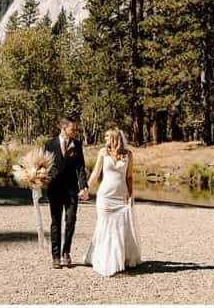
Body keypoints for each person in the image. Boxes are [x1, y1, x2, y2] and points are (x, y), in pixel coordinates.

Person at [84, 127, 142, 276]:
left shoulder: (128, 154)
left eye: (107, 137)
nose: (105, 140)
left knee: (120, 228)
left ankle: (120, 259)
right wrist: (86, 189)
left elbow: (129, 177)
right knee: (104, 226)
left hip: (120, 197)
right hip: (105, 197)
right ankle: (103, 259)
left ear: (115, 138)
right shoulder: (103, 153)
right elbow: (96, 174)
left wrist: (131, 195)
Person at [44, 115, 89, 269]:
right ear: (64, 128)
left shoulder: (77, 144)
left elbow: (81, 167)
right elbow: (45, 166)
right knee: (55, 222)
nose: (75, 131)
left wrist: (84, 187)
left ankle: (66, 252)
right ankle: (55, 256)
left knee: (71, 220)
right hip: (55, 189)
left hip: (72, 190)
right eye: (72, 128)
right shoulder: (50, 144)